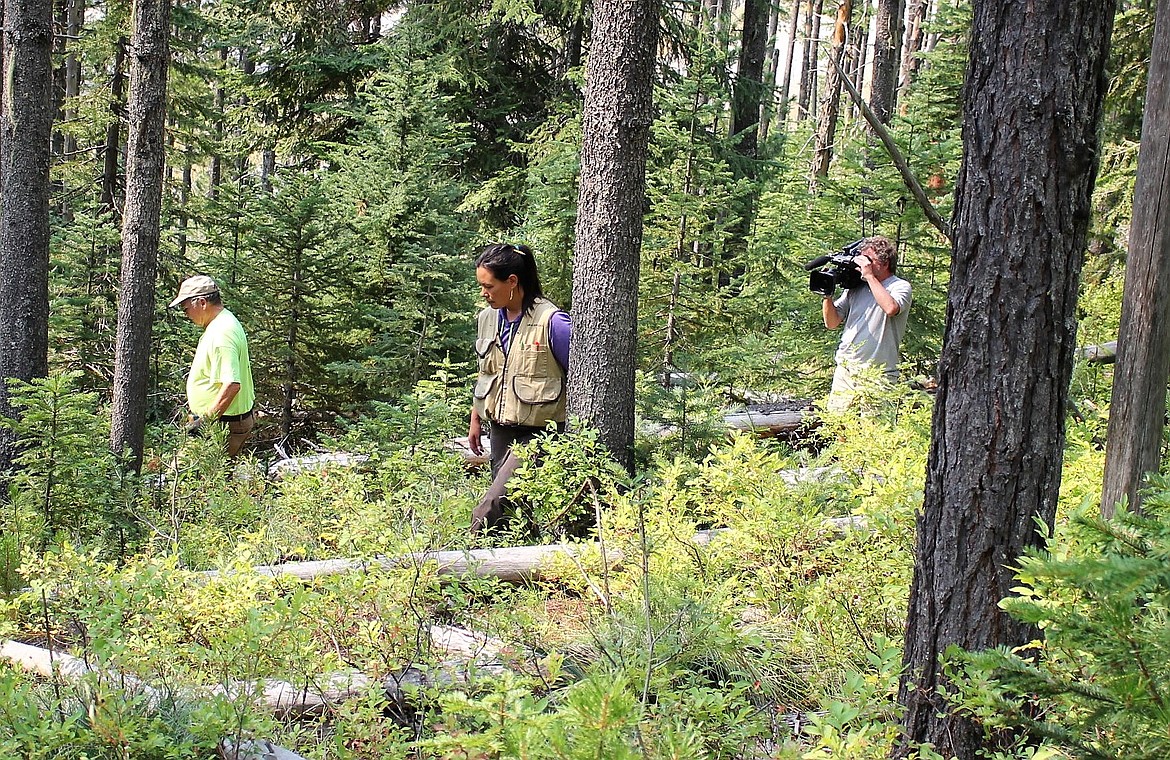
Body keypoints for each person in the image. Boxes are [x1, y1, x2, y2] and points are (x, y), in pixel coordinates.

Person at [468, 243, 570, 533]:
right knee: (515, 514)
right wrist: (476, 418)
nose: (483, 293)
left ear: (512, 281)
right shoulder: (488, 318)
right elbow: (486, 372)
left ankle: (461, 564)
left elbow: (579, 380)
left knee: (492, 504)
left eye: (488, 286)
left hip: (539, 432)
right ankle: (518, 571)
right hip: (499, 428)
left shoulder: (553, 322)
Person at [821, 236, 912, 411]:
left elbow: (891, 308)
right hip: (846, 370)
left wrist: (869, 276)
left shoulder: (900, 286)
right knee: (839, 428)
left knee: (875, 431)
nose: (863, 264)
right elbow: (832, 323)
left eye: (869, 260)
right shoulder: (856, 287)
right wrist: (827, 295)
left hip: (879, 374)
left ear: (885, 264)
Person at [169, 275, 256, 456]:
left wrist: (204, 423)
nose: (186, 315)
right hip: (222, 421)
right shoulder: (223, 322)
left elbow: (232, 384)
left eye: (186, 309)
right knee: (212, 477)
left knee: (191, 476)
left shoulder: (222, 333)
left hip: (222, 424)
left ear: (201, 302)